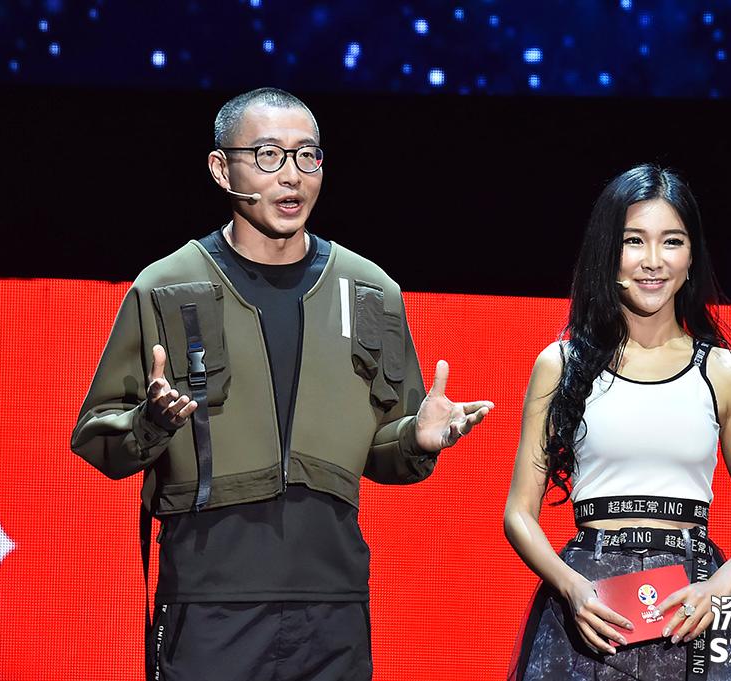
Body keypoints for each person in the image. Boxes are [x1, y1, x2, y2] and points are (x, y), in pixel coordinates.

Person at [70, 87, 493, 681]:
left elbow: (378, 452)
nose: (291, 175)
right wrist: (151, 422)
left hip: (334, 605)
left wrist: (415, 440)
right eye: (268, 155)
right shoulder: (165, 286)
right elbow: (97, 438)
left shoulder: (370, 290)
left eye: (307, 155)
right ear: (222, 169)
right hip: (210, 603)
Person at [504, 164, 731, 680]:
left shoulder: (725, 372)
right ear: (608, 252)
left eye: (672, 241)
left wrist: (720, 587)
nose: (653, 260)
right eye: (634, 241)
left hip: (693, 606)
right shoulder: (560, 364)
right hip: (591, 611)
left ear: (692, 256)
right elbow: (519, 513)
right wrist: (572, 588)